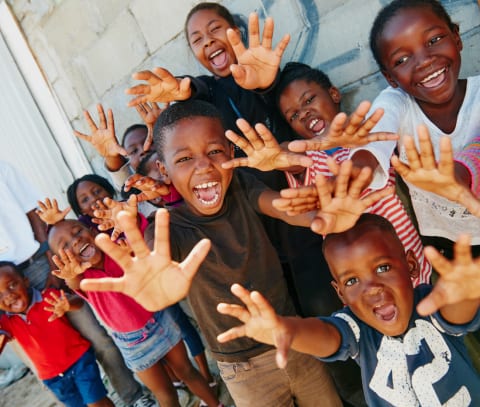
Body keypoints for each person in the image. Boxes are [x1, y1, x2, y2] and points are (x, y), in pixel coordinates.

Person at [76, 100, 392, 407]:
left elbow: (281, 206)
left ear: (230, 154)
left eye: (214, 151)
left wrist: (318, 219)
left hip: (293, 337)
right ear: (164, 170)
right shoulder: (167, 227)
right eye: (184, 159)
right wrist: (155, 286)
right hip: (242, 368)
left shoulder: (241, 186)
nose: (203, 165)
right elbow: (157, 257)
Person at [215, 214, 480, 406]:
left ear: (410, 264)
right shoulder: (357, 329)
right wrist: (289, 329)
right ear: (340, 293)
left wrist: (469, 289)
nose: (372, 289)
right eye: (352, 281)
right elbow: (327, 336)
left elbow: (457, 310)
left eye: (383, 268)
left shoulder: (431, 304)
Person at [48, 217, 221, 407]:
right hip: (132, 345)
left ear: (93, 231)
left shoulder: (119, 250)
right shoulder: (84, 280)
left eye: (78, 231)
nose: (76, 240)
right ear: (62, 262)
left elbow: (138, 237)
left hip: (159, 321)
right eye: (64, 245)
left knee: (187, 371)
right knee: (166, 393)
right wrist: (70, 276)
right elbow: (74, 283)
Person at [353, 0, 480, 258]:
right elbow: (375, 136)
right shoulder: (395, 103)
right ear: (390, 78)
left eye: (434, 40)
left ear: (457, 37)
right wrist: (350, 176)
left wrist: (458, 174)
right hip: (445, 241)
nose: (424, 61)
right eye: (402, 59)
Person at [0, 261, 114, 407]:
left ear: (26, 282)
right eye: (0, 294)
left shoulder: (47, 297)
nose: (8, 295)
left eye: (12, 285)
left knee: (97, 402)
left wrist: (67, 304)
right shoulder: (7, 322)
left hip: (79, 361)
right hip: (52, 377)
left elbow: (78, 301)